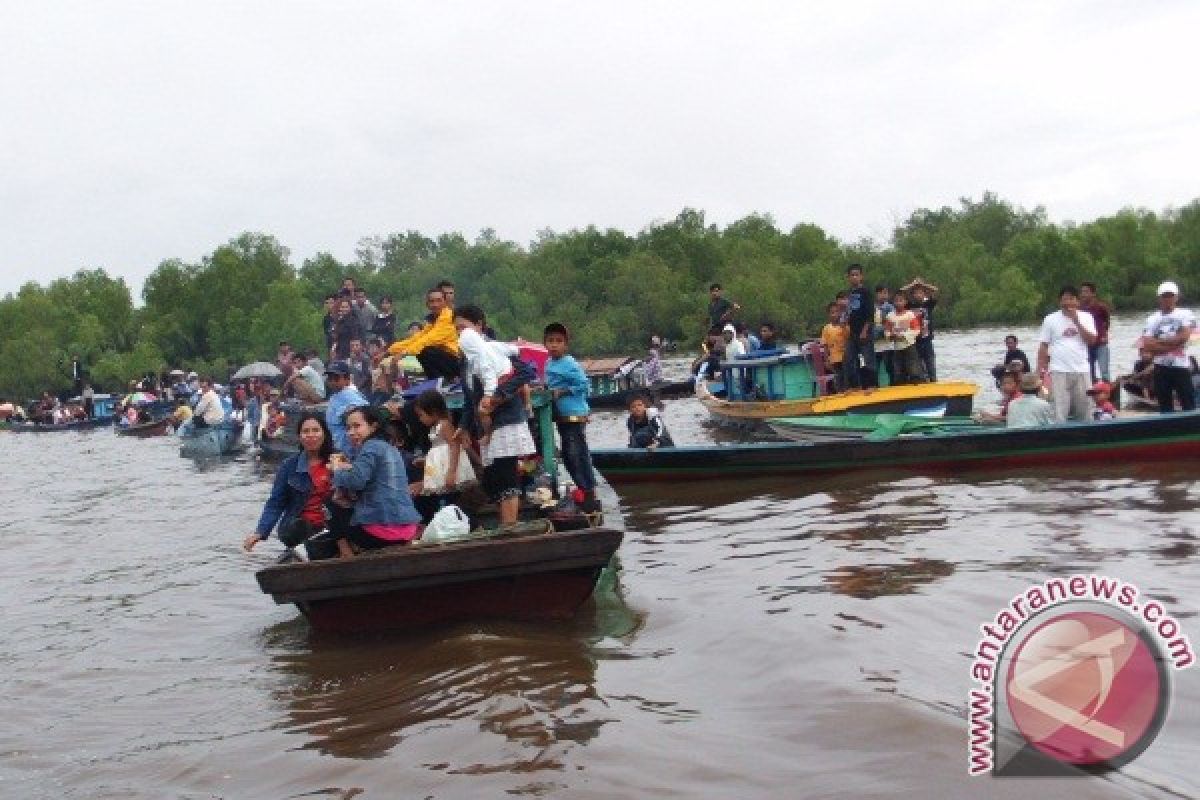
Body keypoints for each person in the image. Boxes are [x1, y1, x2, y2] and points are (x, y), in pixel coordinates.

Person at [454, 304, 535, 528]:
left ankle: (509, 528)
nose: (460, 333)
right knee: (494, 477)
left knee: (506, 473)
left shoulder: (492, 349)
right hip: (486, 426)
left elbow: (526, 372)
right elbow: (471, 399)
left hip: (507, 420)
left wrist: (498, 395)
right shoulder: (466, 359)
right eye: (457, 330)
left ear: (479, 326)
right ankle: (505, 525)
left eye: (464, 327)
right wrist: (463, 426)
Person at [321, 406, 422, 558]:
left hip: (380, 534)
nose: (351, 432)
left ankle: (346, 554)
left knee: (328, 503)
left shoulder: (370, 447)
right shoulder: (390, 448)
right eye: (348, 428)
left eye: (357, 426)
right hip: (408, 530)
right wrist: (346, 467)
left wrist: (336, 469)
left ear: (373, 426)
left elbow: (356, 481)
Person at [243, 413, 336, 559]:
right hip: (299, 527)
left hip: (331, 525)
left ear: (324, 434)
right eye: (305, 432)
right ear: (299, 437)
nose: (311, 435)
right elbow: (275, 503)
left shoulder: (337, 461)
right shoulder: (289, 466)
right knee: (298, 528)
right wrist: (260, 532)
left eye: (316, 430)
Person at [543, 322, 600, 512]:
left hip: (574, 414)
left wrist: (564, 391)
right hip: (561, 416)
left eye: (558, 341)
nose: (554, 345)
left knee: (575, 453)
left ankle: (588, 490)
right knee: (568, 454)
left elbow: (584, 385)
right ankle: (583, 487)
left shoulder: (569, 363)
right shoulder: (549, 363)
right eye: (550, 341)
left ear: (565, 345)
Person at [409, 389, 476, 520]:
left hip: (447, 471)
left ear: (433, 411)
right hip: (439, 472)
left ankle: (466, 523)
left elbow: (455, 446)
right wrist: (426, 460)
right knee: (444, 500)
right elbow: (440, 451)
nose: (420, 419)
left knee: (450, 500)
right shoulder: (435, 427)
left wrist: (451, 472)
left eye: (421, 415)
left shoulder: (444, 425)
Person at [1037, 285, 1097, 422]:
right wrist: (1040, 369)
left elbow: (1092, 341)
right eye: (1064, 299)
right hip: (1058, 370)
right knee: (1059, 410)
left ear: (1077, 301)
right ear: (1060, 302)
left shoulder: (1087, 317)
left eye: (1071, 299)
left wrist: (1076, 321)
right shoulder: (1050, 319)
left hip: (1082, 370)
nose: (1068, 303)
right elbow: (1043, 345)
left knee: (1085, 409)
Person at [1142, 280, 1197, 413]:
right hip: (1161, 368)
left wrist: (1158, 344)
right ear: (1159, 298)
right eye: (1164, 296)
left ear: (1176, 297)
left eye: (1170, 295)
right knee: (1164, 406)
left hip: (1181, 366)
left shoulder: (1185, 314)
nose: (1167, 299)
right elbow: (1148, 344)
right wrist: (1174, 344)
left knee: (1188, 403)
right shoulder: (1151, 319)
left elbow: (1184, 337)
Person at [388, 288, 462, 381]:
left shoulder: (449, 317)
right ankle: (436, 381)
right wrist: (389, 351)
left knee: (424, 349)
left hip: (456, 361)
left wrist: (404, 353)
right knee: (420, 348)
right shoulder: (432, 322)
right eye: (432, 301)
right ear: (427, 304)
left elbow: (428, 340)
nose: (435, 304)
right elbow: (415, 339)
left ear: (445, 302)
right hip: (444, 360)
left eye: (439, 300)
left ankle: (442, 381)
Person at [324, 361, 369, 453]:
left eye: (336, 378)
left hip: (348, 450)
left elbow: (364, 416)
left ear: (347, 379)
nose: (332, 382)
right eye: (330, 378)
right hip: (338, 447)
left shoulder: (349, 395)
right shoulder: (337, 395)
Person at [843, 264, 876, 389]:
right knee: (849, 359)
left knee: (868, 359)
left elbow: (869, 313)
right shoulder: (850, 293)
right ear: (848, 277)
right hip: (853, 331)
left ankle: (872, 385)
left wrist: (865, 330)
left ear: (861, 276)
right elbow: (849, 312)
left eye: (857, 275)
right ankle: (854, 386)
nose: (854, 277)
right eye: (852, 275)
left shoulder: (866, 292)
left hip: (865, 330)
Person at [903, 278, 939, 381]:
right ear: (912, 295)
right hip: (915, 341)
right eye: (916, 293)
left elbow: (935, 290)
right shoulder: (909, 306)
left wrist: (923, 284)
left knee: (930, 363)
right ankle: (924, 382)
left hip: (927, 339)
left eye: (920, 293)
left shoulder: (928, 305)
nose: (918, 295)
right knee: (919, 365)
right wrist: (912, 284)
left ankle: (933, 381)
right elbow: (902, 291)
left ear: (924, 294)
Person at [884, 290, 922, 384]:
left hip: (909, 345)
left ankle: (916, 385)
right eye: (896, 301)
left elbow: (917, 330)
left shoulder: (910, 314)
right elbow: (887, 330)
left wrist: (904, 335)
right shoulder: (890, 316)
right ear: (893, 302)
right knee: (898, 370)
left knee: (913, 369)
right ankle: (901, 389)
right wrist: (890, 336)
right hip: (897, 347)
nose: (898, 303)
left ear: (905, 302)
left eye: (901, 300)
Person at [1080, 282, 1111, 383]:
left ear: (1093, 293)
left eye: (1086, 291)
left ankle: (1108, 391)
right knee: (1090, 372)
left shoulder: (1101, 307)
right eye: (1082, 292)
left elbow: (1107, 321)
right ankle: (1093, 391)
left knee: (1104, 371)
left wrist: (1104, 335)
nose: (1083, 294)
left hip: (1101, 344)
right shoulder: (1080, 309)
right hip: (1087, 344)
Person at [820, 302, 848, 391]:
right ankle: (840, 394)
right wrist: (827, 360)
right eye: (832, 312)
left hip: (846, 357)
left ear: (840, 313)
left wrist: (843, 327)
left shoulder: (845, 326)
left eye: (837, 312)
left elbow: (848, 338)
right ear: (828, 315)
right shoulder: (826, 328)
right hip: (834, 359)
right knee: (838, 378)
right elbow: (825, 345)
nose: (835, 314)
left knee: (848, 377)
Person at [329, 297, 364, 361]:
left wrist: (353, 352)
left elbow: (355, 338)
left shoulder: (353, 321)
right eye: (342, 307)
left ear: (350, 308)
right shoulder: (338, 320)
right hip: (339, 351)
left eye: (346, 307)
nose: (344, 309)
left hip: (349, 352)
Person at [873, 285, 895, 385]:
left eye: (886, 293)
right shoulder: (872, 307)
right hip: (875, 343)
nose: (884, 295)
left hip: (887, 342)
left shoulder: (890, 307)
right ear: (876, 294)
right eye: (881, 293)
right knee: (874, 367)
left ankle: (893, 385)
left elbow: (892, 321)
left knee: (889, 366)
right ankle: (875, 386)